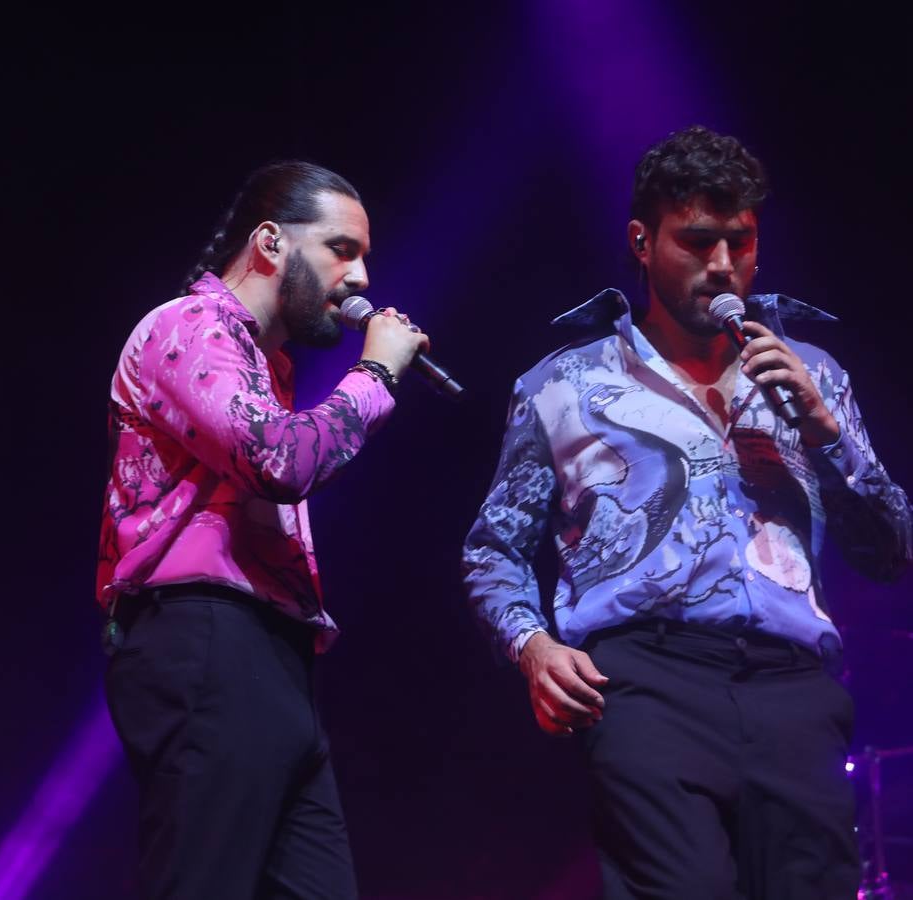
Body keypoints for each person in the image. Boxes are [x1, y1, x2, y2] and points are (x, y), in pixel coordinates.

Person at [461, 125, 912, 899]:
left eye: (740, 242)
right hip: (646, 683)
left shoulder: (816, 375)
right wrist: (532, 647)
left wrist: (827, 432)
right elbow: (494, 547)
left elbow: (890, 551)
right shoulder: (563, 384)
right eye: (698, 242)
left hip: (794, 690)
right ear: (642, 241)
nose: (723, 267)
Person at [97, 160, 426, 899]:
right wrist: (374, 376)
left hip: (272, 653)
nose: (362, 277)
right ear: (271, 243)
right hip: (204, 636)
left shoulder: (263, 362)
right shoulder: (189, 326)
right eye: (342, 248)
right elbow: (279, 461)